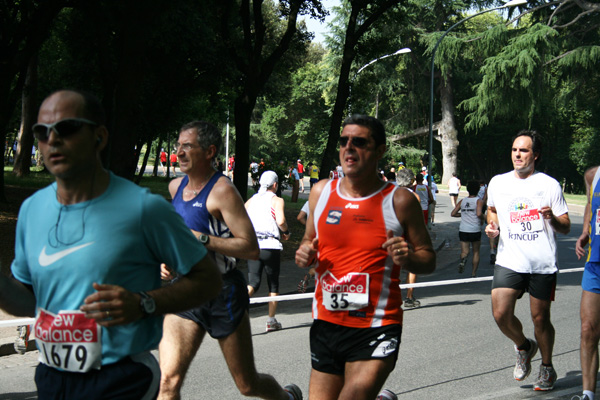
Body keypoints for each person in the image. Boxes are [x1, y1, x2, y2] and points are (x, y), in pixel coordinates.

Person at [0, 90, 222, 399]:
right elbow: (27, 301)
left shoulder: (144, 208)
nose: (53, 139)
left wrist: (145, 303)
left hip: (120, 379)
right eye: (42, 132)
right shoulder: (32, 209)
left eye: (67, 128)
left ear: (99, 137)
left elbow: (209, 281)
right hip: (51, 376)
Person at [158, 121, 301, 400]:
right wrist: (166, 259)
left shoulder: (222, 191)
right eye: (178, 146)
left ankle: (285, 398)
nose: (179, 153)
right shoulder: (175, 187)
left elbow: (249, 248)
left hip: (222, 291)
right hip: (185, 289)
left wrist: (200, 239)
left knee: (247, 385)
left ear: (210, 151)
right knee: (167, 382)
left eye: (188, 147)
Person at [295, 115, 436, 400]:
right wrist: (305, 255)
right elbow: (309, 243)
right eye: (344, 141)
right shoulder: (321, 192)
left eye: (359, 142)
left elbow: (429, 258)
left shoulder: (400, 201)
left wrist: (407, 259)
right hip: (327, 321)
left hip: (376, 325)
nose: (349, 148)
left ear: (380, 150)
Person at [485, 130, 570, 392]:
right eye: (514, 150)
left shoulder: (549, 185)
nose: (518, 155)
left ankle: (546, 367)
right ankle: (524, 346)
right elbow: (493, 210)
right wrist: (492, 225)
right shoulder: (498, 182)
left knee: (540, 318)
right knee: (500, 313)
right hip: (509, 259)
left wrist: (551, 219)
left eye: (523, 150)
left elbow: (565, 225)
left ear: (535, 155)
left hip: (541, 264)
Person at [245, 170, 291, 331]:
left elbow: (241, 218)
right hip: (270, 246)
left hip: (253, 245)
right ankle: (271, 321)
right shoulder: (276, 200)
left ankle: (235, 311)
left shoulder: (251, 200)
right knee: (273, 284)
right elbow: (281, 220)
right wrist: (286, 232)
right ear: (275, 185)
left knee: (253, 282)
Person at [574, 166, 600, 400]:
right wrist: (585, 230)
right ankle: (588, 394)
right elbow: (590, 207)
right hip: (596, 264)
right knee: (587, 329)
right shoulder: (594, 176)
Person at [451, 181, 484, 277]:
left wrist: (463, 214)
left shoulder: (462, 201)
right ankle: (473, 273)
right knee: (476, 251)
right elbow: (478, 213)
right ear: (478, 190)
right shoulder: (479, 201)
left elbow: (453, 213)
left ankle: (463, 260)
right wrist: (484, 217)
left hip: (463, 229)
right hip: (475, 229)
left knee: (464, 251)